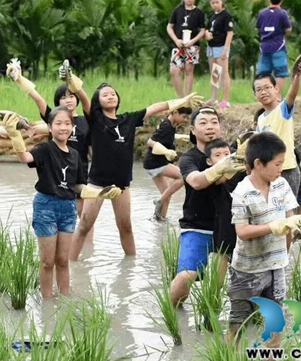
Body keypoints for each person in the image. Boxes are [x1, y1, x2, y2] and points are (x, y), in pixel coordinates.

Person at [69, 83, 203, 260]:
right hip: (97, 183)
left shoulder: (128, 119)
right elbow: (84, 99)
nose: (110, 96)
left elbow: (154, 108)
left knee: (126, 227)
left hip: (122, 183)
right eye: (105, 95)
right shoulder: (96, 118)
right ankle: (71, 264)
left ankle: (130, 266)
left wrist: (178, 102)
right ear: (98, 102)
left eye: (113, 93)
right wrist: (75, 85)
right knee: (85, 225)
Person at [0, 107, 121, 298]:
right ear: (49, 127)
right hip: (46, 206)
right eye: (58, 123)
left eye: (67, 123)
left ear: (72, 128)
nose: (63, 127)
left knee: (63, 261)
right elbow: (25, 157)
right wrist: (14, 134)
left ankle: (65, 300)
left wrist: (101, 194)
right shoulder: (44, 149)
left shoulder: (74, 155)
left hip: (67, 208)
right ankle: (47, 302)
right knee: (47, 262)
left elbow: (78, 186)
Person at [228, 132, 301, 342]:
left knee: (276, 318)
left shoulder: (282, 184)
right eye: (277, 164)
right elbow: (242, 231)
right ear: (259, 164)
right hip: (247, 270)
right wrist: (273, 226)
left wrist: (294, 231)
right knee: (238, 321)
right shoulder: (242, 192)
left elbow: (290, 220)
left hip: (276, 265)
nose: (280, 169)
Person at [7, 58, 96, 242]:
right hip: (55, 174)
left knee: (85, 219)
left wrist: (72, 80)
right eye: (63, 97)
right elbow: (37, 98)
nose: (68, 100)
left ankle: (86, 255)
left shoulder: (85, 120)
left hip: (78, 172)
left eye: (71, 96)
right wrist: (19, 78)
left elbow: (88, 102)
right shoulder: (53, 117)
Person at [169, 107, 245, 306]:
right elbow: (196, 181)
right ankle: (173, 312)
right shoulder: (189, 158)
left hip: (232, 226)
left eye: (214, 122)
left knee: (227, 284)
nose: (210, 127)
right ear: (192, 130)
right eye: (203, 123)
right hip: (197, 225)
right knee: (186, 275)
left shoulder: (233, 154)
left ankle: (213, 316)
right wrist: (222, 167)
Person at [254, 61, 301, 206]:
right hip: (268, 171)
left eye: (267, 88)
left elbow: (293, 93)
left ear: (276, 89)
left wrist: (297, 75)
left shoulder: (282, 110)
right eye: (259, 89)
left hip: (287, 169)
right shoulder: (260, 119)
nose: (263, 92)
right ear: (255, 94)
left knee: (287, 214)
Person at [144, 107, 193, 220]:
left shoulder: (169, 123)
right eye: (184, 117)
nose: (186, 120)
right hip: (155, 163)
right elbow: (150, 142)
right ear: (175, 112)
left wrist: (179, 137)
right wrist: (166, 152)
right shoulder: (166, 126)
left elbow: (163, 136)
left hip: (152, 163)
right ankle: (160, 200)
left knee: (167, 193)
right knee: (183, 176)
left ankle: (159, 219)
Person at [206, 139, 247, 271]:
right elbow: (218, 180)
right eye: (218, 155)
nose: (224, 158)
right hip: (223, 226)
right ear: (209, 162)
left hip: (243, 227)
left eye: (227, 154)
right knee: (221, 258)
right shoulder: (210, 178)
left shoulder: (240, 174)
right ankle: (215, 292)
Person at [167, 0, 206, 98]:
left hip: (192, 45)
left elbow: (202, 30)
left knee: (189, 71)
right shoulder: (177, 10)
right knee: (174, 70)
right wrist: (176, 40)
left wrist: (193, 41)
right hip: (178, 44)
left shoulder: (199, 12)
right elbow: (169, 27)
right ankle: (180, 97)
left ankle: (187, 98)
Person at [256, 0, 292, 94]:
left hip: (264, 46)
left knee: (263, 73)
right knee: (280, 72)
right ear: (281, 0)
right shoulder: (282, 13)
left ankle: (264, 94)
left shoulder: (262, 13)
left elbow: (258, 28)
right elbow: (288, 29)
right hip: (278, 46)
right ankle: (276, 95)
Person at [204, 0, 234, 109]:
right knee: (214, 73)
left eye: (217, 2)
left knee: (224, 73)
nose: (215, 5)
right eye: (212, 3)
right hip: (211, 47)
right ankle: (213, 98)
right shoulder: (213, 17)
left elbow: (230, 33)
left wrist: (225, 49)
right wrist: (206, 34)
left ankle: (225, 99)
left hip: (221, 46)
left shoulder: (226, 16)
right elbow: (206, 29)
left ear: (222, 2)